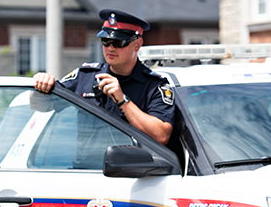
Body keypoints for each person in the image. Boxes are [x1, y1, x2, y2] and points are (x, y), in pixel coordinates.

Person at [33, 9, 174, 146]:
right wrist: (40, 86)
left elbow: (161, 136)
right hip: (86, 168)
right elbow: (42, 106)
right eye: (106, 41)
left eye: (119, 43)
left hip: (132, 168)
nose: (111, 48)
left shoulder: (155, 85)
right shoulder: (85, 76)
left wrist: (123, 100)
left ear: (137, 45)